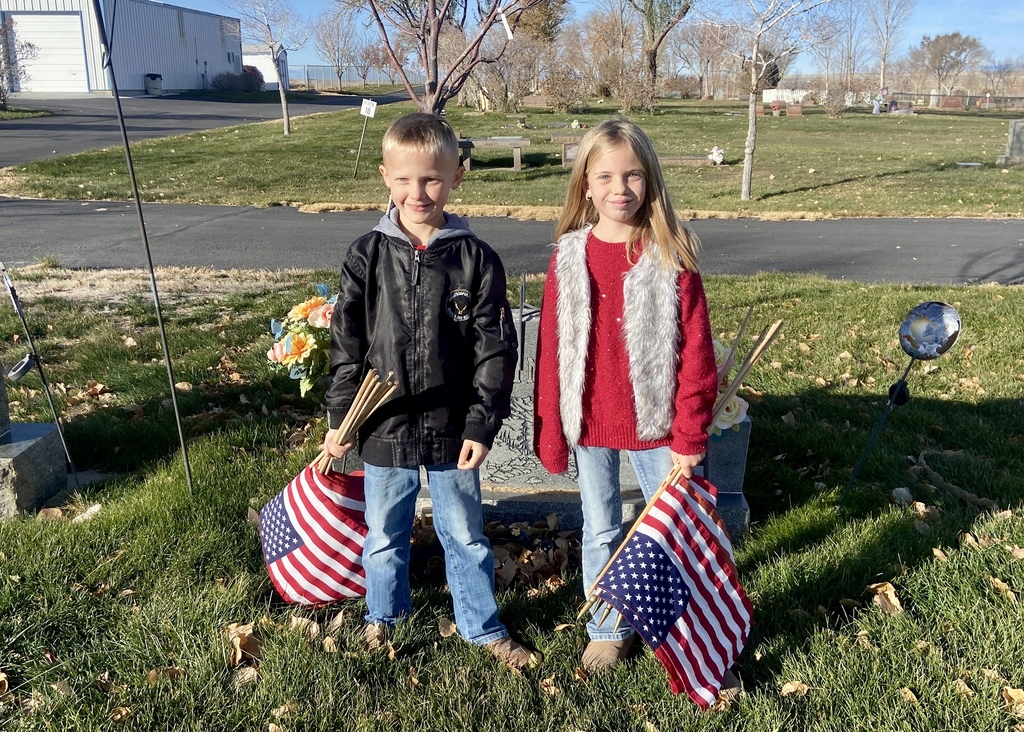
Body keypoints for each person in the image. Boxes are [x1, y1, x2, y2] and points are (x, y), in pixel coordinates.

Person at [322, 112, 540, 670]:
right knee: (384, 536)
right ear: (384, 177)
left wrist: (481, 422)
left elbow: (495, 349)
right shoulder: (365, 256)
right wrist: (340, 417)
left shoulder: (476, 259)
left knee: (465, 534)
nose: (417, 192)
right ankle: (383, 620)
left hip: (452, 428)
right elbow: (348, 343)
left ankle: (481, 626)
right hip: (381, 424)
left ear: (457, 177)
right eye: (404, 179)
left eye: (432, 179)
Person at [533, 119, 719, 672]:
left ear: (651, 180)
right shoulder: (568, 256)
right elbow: (552, 347)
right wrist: (550, 428)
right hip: (590, 424)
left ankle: (684, 630)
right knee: (601, 527)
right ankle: (608, 626)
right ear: (585, 186)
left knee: (672, 530)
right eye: (606, 176)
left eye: (633, 174)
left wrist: (689, 435)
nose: (621, 188)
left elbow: (697, 358)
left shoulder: (670, 256)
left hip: (656, 427)